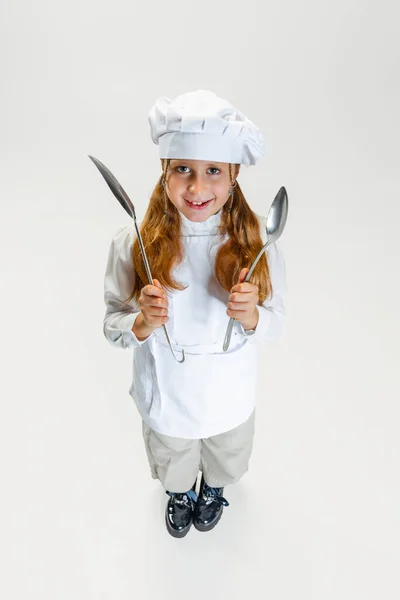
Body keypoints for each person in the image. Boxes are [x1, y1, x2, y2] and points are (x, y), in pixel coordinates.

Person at [103, 89, 287, 538]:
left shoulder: (256, 244)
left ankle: (214, 489)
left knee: (226, 455)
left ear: (234, 176)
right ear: (164, 173)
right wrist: (141, 322)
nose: (197, 187)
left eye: (213, 172)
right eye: (183, 169)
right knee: (174, 459)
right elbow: (112, 326)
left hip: (230, 393)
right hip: (168, 394)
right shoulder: (133, 244)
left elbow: (277, 323)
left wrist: (252, 318)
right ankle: (181, 492)